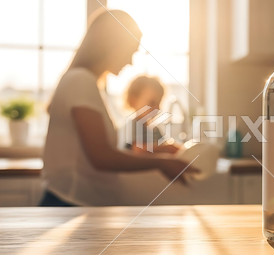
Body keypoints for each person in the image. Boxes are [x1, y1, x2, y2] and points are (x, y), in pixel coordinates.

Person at [41, 10, 198, 206]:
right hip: (69, 203)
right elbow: (101, 157)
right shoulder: (80, 81)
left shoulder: (88, 83)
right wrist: (162, 162)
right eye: (131, 51)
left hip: (77, 204)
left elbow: (106, 153)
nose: (130, 62)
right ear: (112, 45)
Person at [124, 75, 179, 154]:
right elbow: (137, 150)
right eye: (152, 103)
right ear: (133, 101)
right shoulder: (132, 125)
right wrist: (166, 148)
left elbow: (165, 144)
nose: (157, 108)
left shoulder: (154, 130)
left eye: (159, 103)